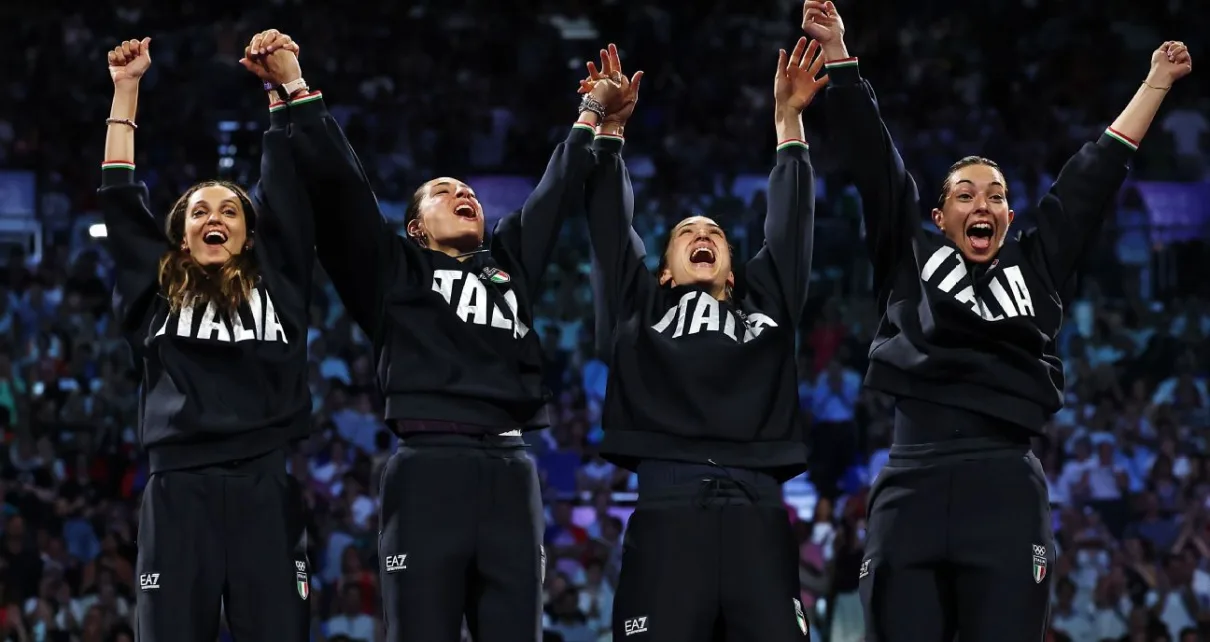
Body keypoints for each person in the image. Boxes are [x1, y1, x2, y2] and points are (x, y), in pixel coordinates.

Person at [801, 2, 1194, 640]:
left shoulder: (1036, 269)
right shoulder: (909, 254)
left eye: (997, 195)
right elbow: (877, 164)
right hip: (913, 481)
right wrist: (843, 59)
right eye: (965, 194)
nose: (983, 203)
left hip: (1005, 485)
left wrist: (1154, 84)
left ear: (1010, 217)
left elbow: (1090, 181)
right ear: (939, 217)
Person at [242, 31, 631, 641]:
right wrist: (295, 89)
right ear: (416, 228)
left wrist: (591, 115)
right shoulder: (392, 270)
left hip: (510, 469)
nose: (464, 194)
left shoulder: (509, 263)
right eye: (444, 193)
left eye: (468, 190)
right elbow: (344, 191)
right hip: (427, 469)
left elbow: (554, 194)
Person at [583, 38, 824, 641]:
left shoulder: (766, 299)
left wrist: (787, 122)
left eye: (715, 232)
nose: (703, 235)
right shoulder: (639, 302)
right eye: (687, 231)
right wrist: (609, 133)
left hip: (759, 512)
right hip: (669, 506)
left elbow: (790, 224)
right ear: (664, 269)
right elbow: (611, 229)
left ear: (733, 267)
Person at [100, 36, 316, 641]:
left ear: (249, 236)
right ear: (180, 234)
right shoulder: (155, 285)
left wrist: (279, 90)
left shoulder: (281, 281)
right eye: (198, 211)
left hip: (265, 491)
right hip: (177, 494)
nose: (214, 218)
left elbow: (288, 188)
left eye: (229, 211)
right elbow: (119, 193)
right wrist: (126, 89)